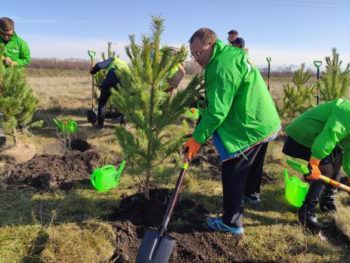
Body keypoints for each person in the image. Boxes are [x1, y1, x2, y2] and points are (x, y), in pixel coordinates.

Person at [184, 28, 280, 235]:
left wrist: (197, 138)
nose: (196, 58)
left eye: (198, 53)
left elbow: (218, 111)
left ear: (211, 44)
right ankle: (251, 195)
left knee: (233, 168)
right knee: (252, 163)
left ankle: (231, 223)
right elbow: (222, 96)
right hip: (263, 120)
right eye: (192, 54)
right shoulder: (227, 55)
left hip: (249, 125)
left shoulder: (221, 66)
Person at [282, 99, 350, 232]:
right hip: (302, 136)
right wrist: (314, 164)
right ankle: (307, 214)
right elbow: (328, 137)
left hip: (316, 139)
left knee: (338, 159)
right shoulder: (347, 112)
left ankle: (327, 201)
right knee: (326, 171)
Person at [89, 56, 130, 129]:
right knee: (124, 103)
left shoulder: (113, 59)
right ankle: (124, 124)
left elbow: (100, 65)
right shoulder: (126, 65)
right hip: (122, 83)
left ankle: (100, 125)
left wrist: (93, 70)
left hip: (110, 80)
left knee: (102, 102)